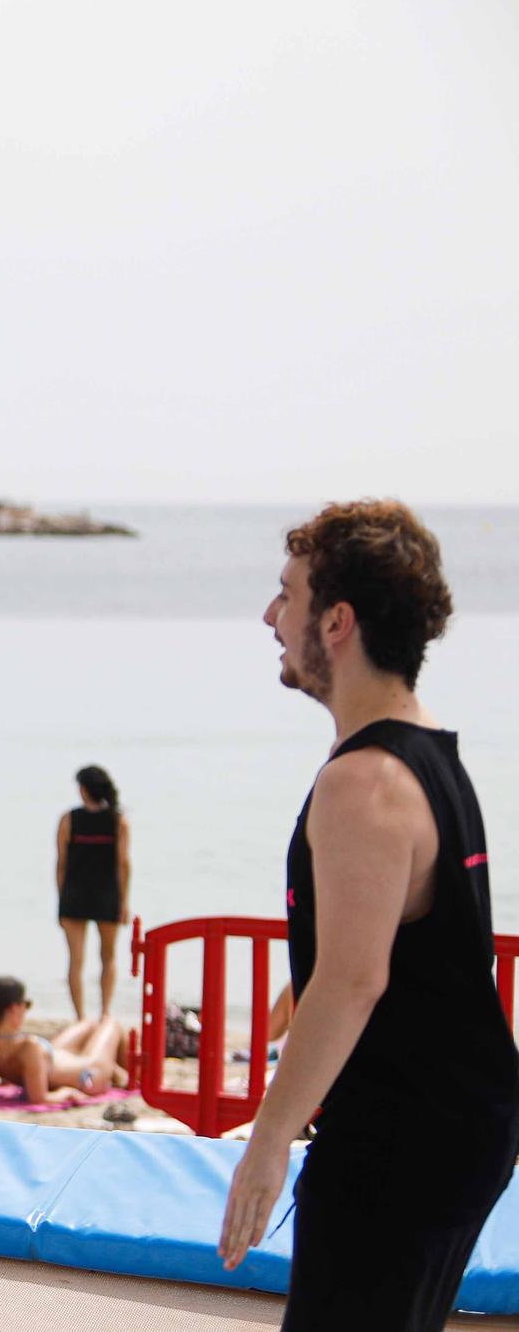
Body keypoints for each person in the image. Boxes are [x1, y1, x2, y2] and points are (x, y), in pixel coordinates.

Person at [219, 501, 517, 1329]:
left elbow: (352, 979)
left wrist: (269, 1139)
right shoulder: (427, 752)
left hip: (405, 1137)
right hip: (455, 1119)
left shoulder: (366, 780)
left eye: (288, 596)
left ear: (338, 621)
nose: (272, 617)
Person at [0, 976, 127, 1104]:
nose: (26, 1009)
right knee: (111, 1024)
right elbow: (39, 1099)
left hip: (53, 1060)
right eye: (26, 1004)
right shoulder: (28, 1047)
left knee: (88, 1024)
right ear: (13, 1008)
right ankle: (126, 1076)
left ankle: (117, 1072)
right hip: (88, 1073)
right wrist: (67, 1093)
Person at [55, 765, 130, 1020]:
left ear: (84, 790)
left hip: (74, 895)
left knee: (76, 961)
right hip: (106, 894)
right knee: (108, 957)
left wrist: (60, 898)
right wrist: (124, 901)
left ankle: (80, 1016)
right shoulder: (118, 820)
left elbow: (61, 863)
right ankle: (105, 1012)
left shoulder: (69, 819)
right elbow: (124, 864)